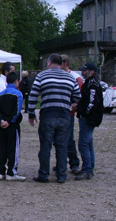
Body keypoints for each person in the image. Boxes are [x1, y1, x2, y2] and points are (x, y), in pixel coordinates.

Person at [27, 53, 80, 184]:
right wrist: (69, 102)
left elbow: (33, 95)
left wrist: (31, 113)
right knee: (62, 146)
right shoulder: (70, 77)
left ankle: (44, 174)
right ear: (61, 63)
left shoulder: (42, 76)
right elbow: (77, 97)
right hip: (64, 115)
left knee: (45, 146)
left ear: (50, 62)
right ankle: (61, 175)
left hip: (48, 115)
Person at [75, 63, 104, 180]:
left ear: (91, 72)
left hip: (89, 118)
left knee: (83, 144)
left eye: (85, 70)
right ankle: (89, 166)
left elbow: (92, 102)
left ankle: (87, 169)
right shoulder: (89, 83)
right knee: (88, 143)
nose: (83, 72)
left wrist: (85, 113)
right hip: (89, 117)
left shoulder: (92, 84)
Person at [0, 71, 25, 181]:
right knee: (13, 148)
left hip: (2, 124)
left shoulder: (1, 94)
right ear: (16, 81)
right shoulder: (18, 94)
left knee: (2, 147)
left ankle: (0, 171)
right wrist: (9, 121)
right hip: (12, 125)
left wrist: (2, 120)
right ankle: (11, 172)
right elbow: (17, 110)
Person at [61, 54, 82, 174]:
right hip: (59, 112)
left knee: (69, 138)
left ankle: (74, 163)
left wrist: (73, 107)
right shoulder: (59, 76)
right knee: (59, 139)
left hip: (68, 113)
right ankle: (61, 162)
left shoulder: (75, 77)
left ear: (65, 63)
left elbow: (79, 97)